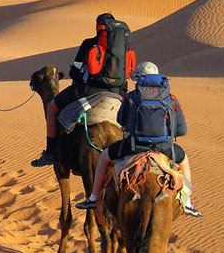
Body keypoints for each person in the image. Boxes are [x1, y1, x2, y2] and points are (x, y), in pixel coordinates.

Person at [76, 62, 202, 217]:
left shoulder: (131, 96)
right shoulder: (171, 99)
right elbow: (182, 130)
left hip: (133, 146)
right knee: (184, 160)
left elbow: (121, 120)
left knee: (104, 157)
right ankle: (187, 202)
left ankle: (94, 198)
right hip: (163, 147)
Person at [30, 13, 135, 167]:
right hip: (118, 94)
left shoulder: (89, 44)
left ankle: (50, 153)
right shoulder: (125, 49)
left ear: (98, 27)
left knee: (52, 107)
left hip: (89, 92)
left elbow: (75, 72)